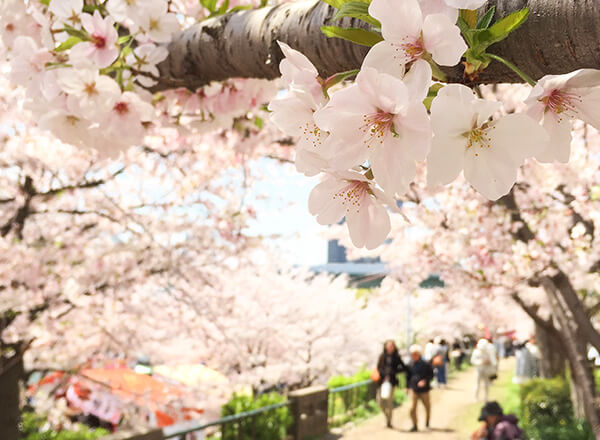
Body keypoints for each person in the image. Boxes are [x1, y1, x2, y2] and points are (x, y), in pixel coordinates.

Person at [376, 340, 406, 428]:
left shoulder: (396, 357)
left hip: (391, 382)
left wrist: (393, 373)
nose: (389, 347)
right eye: (388, 346)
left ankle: (389, 421)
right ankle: (386, 416)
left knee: (389, 402)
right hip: (381, 382)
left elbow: (402, 367)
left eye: (391, 346)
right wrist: (384, 375)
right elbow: (379, 367)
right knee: (380, 401)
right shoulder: (382, 356)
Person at [406, 344, 434, 432]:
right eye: (412, 354)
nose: (413, 356)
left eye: (415, 354)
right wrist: (407, 387)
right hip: (414, 389)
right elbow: (408, 376)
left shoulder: (426, 364)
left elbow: (431, 374)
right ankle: (414, 425)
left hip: (424, 390)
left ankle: (427, 422)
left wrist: (425, 381)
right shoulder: (410, 364)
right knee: (412, 408)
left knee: (427, 407)